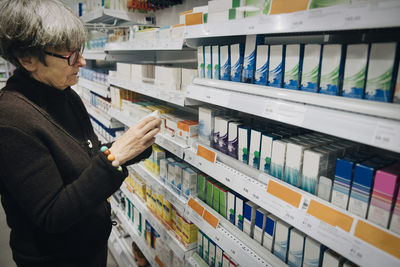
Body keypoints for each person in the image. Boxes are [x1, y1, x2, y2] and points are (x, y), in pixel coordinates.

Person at [0, 0, 161, 266]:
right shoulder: (10, 120)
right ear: (27, 59)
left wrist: (131, 145)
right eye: (70, 56)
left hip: (89, 249)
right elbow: (53, 214)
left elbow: (86, 156)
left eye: (80, 50)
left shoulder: (64, 94)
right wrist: (115, 157)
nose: (82, 61)